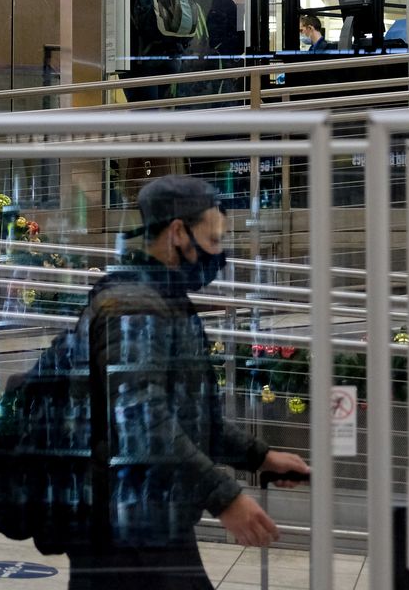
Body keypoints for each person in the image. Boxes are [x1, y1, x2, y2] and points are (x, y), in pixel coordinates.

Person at [67, 175, 309, 589]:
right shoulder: (133, 306)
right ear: (178, 232)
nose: (219, 253)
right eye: (213, 238)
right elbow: (144, 422)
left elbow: (189, 416)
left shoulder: (166, 300)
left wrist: (259, 457)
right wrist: (225, 497)